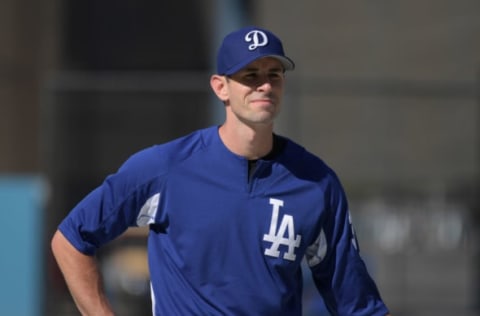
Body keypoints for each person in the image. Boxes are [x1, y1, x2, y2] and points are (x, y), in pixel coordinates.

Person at [51, 26, 391, 316]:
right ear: (220, 87)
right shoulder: (166, 168)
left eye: (274, 74)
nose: (265, 86)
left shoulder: (315, 182)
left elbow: (354, 301)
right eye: (250, 75)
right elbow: (71, 240)